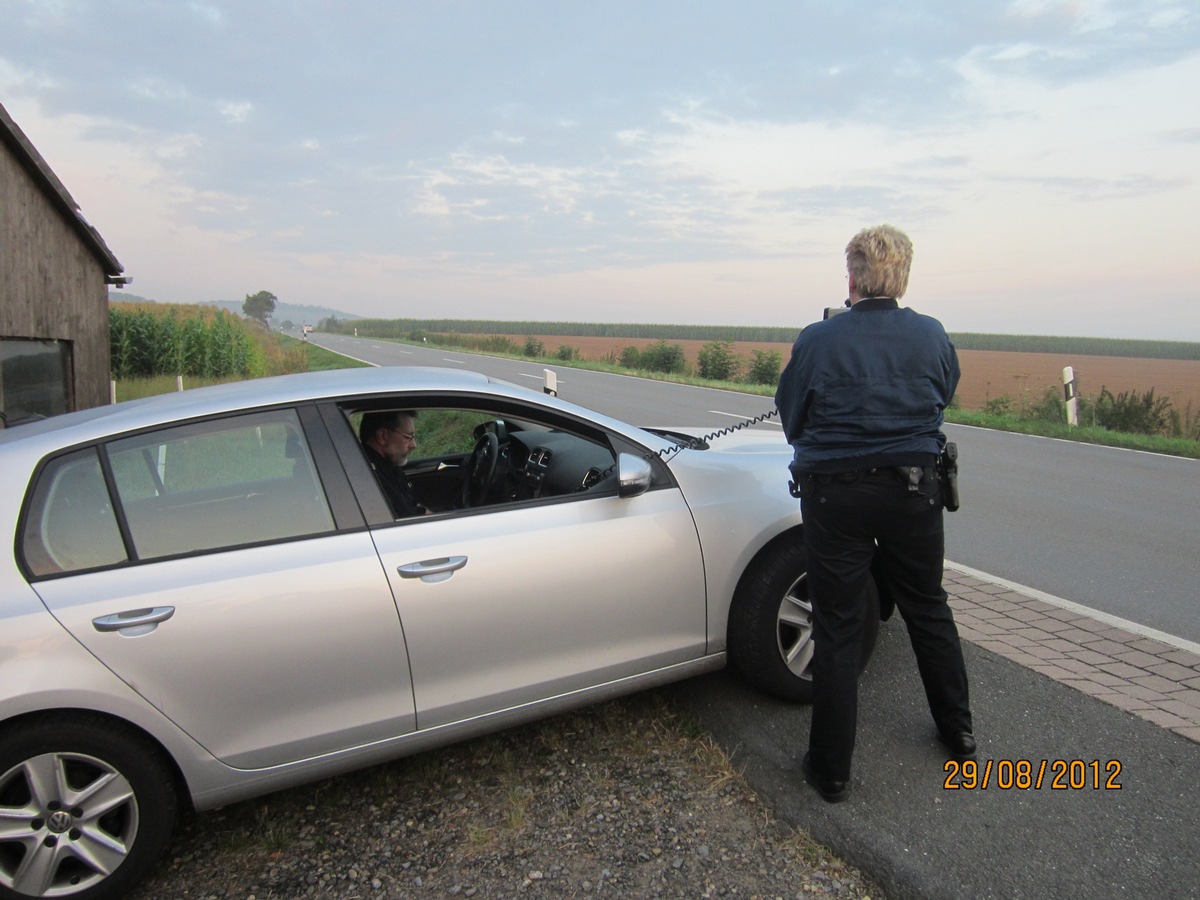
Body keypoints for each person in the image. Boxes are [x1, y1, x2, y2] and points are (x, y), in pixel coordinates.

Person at [774, 224, 974, 804]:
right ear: (902, 277)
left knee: (837, 626)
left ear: (853, 277)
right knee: (927, 606)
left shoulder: (818, 339)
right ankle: (959, 732)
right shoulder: (932, 335)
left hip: (836, 497)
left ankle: (831, 771)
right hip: (916, 491)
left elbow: (792, 418)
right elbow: (942, 395)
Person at [359, 410, 426, 517]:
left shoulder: (390, 468)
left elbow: (414, 507)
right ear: (382, 436)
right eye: (407, 437)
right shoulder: (371, 478)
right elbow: (408, 517)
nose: (414, 445)